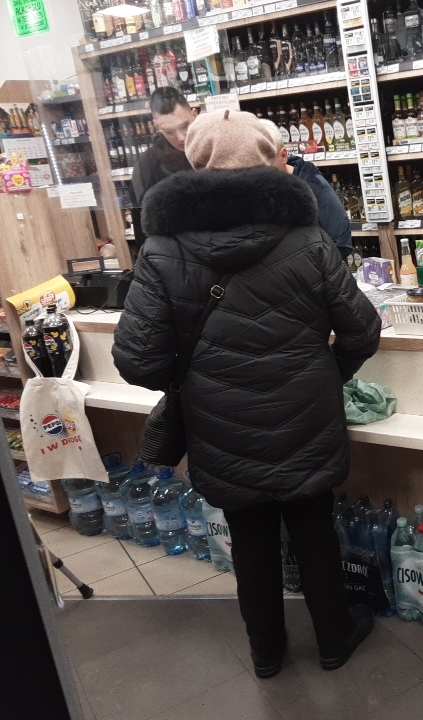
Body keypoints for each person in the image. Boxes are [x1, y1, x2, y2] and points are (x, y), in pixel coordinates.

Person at [111, 110, 382, 678]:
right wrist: (328, 373)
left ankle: (266, 654)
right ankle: (334, 641)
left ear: (195, 162)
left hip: (219, 424)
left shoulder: (161, 248)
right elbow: (362, 330)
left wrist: (196, 380)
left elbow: (137, 360)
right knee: (313, 526)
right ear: (270, 158)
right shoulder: (308, 239)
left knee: (249, 536)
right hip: (306, 414)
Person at [259, 119, 353, 261]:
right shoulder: (257, 189)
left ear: (283, 156)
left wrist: (304, 266)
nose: (258, 170)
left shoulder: (315, 187)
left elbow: (341, 243)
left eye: (265, 162)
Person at [131, 87, 197, 204]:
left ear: (195, 115)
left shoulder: (215, 146)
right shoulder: (147, 164)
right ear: (157, 127)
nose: (181, 137)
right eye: (169, 131)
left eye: (184, 126)